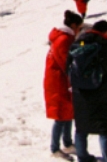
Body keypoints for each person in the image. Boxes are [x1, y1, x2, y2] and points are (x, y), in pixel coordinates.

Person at [69, 20, 107, 162]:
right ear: (106, 32)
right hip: (102, 94)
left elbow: (68, 65)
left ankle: (82, 157)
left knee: (81, 128)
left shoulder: (79, 43)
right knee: (105, 130)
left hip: (80, 94)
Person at [44, 10, 84, 160]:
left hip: (61, 81)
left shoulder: (64, 38)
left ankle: (67, 143)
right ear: (73, 26)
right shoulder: (64, 40)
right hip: (58, 82)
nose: (80, 31)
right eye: (79, 27)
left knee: (68, 112)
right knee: (61, 115)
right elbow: (66, 64)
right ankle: (55, 148)